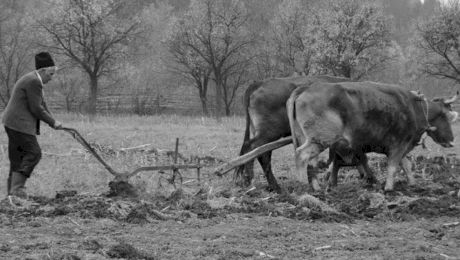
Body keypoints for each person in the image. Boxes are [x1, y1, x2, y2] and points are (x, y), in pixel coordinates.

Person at [2, 51, 63, 202]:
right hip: (19, 124)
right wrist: (52, 122)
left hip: (12, 123)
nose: (51, 77)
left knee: (18, 158)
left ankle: (11, 196)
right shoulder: (33, 82)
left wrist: (53, 121)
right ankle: (17, 191)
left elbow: (42, 104)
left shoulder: (34, 79)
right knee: (34, 153)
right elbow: (36, 108)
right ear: (42, 70)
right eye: (50, 73)